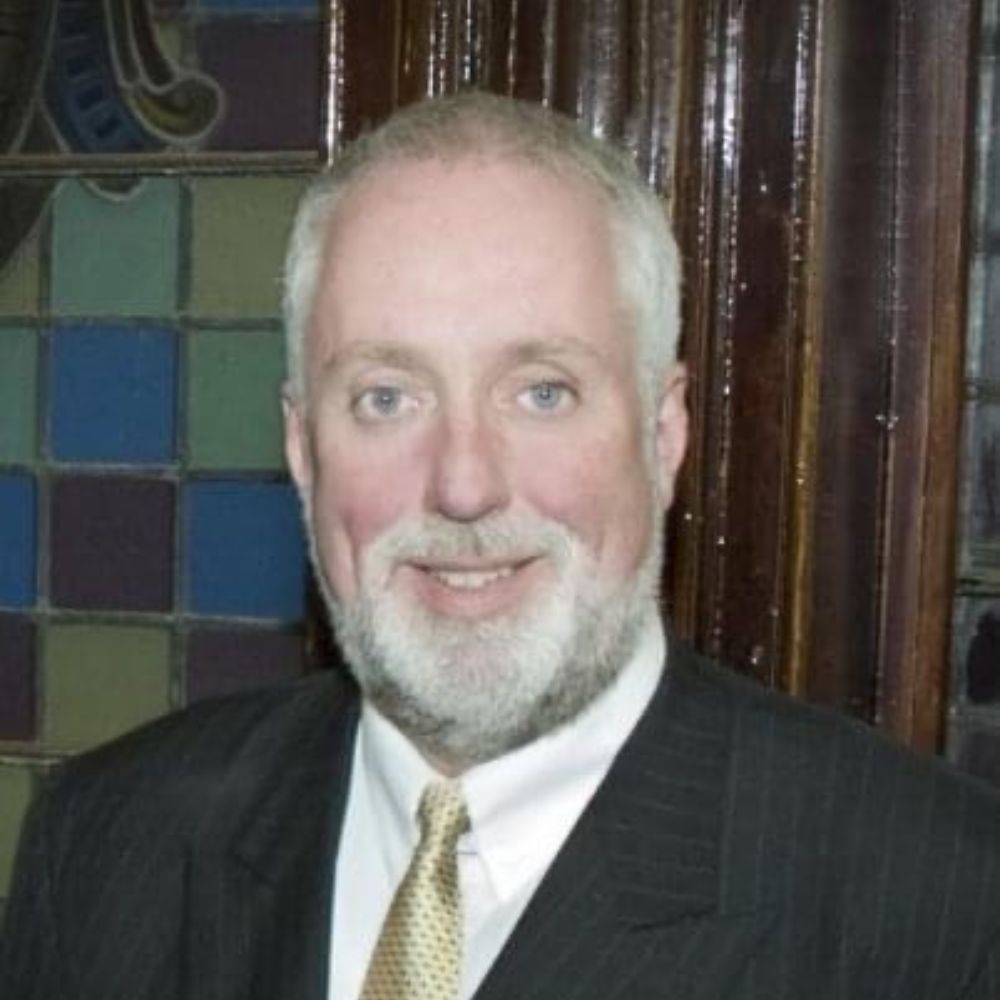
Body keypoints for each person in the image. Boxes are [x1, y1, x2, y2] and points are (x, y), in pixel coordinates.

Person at [3, 92, 1000, 1000]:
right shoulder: (103, 844)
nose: (464, 482)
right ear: (302, 447)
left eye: (541, 392)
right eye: (386, 398)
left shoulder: (934, 908)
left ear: (663, 436)